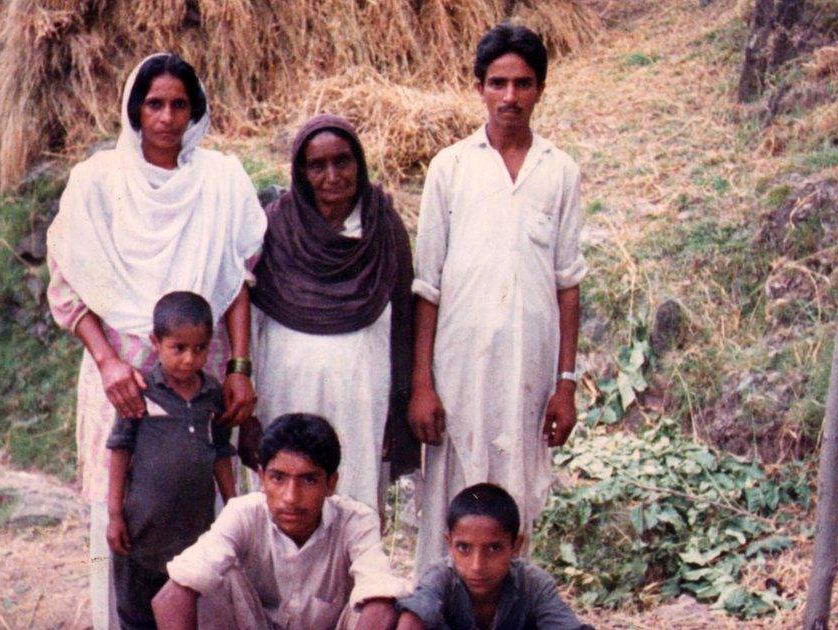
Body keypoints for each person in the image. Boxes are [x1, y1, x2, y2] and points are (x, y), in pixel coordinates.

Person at [46, 53, 266, 628]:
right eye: (154, 104)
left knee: (205, 510)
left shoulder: (221, 179)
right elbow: (68, 286)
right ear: (134, 109)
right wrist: (109, 361)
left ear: (196, 112)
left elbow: (238, 279)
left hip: (204, 369)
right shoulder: (96, 181)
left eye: (179, 105)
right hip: (122, 377)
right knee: (118, 515)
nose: (167, 117)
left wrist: (239, 366)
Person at [409, 24, 587, 575]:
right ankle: (439, 608)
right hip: (457, 368)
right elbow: (428, 286)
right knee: (452, 491)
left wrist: (565, 385)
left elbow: (567, 285)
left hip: (527, 375)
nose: (510, 97)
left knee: (516, 495)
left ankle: (509, 611)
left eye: (523, 84)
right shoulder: (451, 167)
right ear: (479, 87)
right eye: (498, 83)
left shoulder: (559, 171)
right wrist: (421, 384)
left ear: (540, 89)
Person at [250, 114, 417, 510]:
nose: (331, 176)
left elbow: (404, 323)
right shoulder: (275, 227)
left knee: (353, 502)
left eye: (342, 161)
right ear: (300, 171)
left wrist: (398, 407)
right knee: (285, 500)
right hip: (285, 388)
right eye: (316, 165)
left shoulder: (382, 226)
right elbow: (253, 317)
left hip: (361, 394)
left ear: (358, 163)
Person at [151, 413, 409, 629]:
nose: (291, 498)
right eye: (278, 478)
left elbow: (381, 607)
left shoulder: (355, 520)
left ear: (331, 483)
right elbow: (170, 598)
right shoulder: (244, 513)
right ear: (262, 478)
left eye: (308, 480)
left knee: (380, 599)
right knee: (211, 580)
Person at [105, 291, 237, 629]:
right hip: (141, 534)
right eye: (178, 348)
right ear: (156, 342)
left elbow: (221, 453)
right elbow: (119, 451)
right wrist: (115, 514)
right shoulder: (142, 392)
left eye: (200, 349)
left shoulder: (212, 395)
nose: (189, 360)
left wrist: (234, 508)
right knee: (137, 617)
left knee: (188, 613)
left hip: (193, 535)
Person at [396, 483, 592, 630]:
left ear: (516, 546)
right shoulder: (441, 577)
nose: (477, 566)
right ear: (449, 544)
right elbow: (411, 621)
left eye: (493, 548)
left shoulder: (533, 583)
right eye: (464, 548)